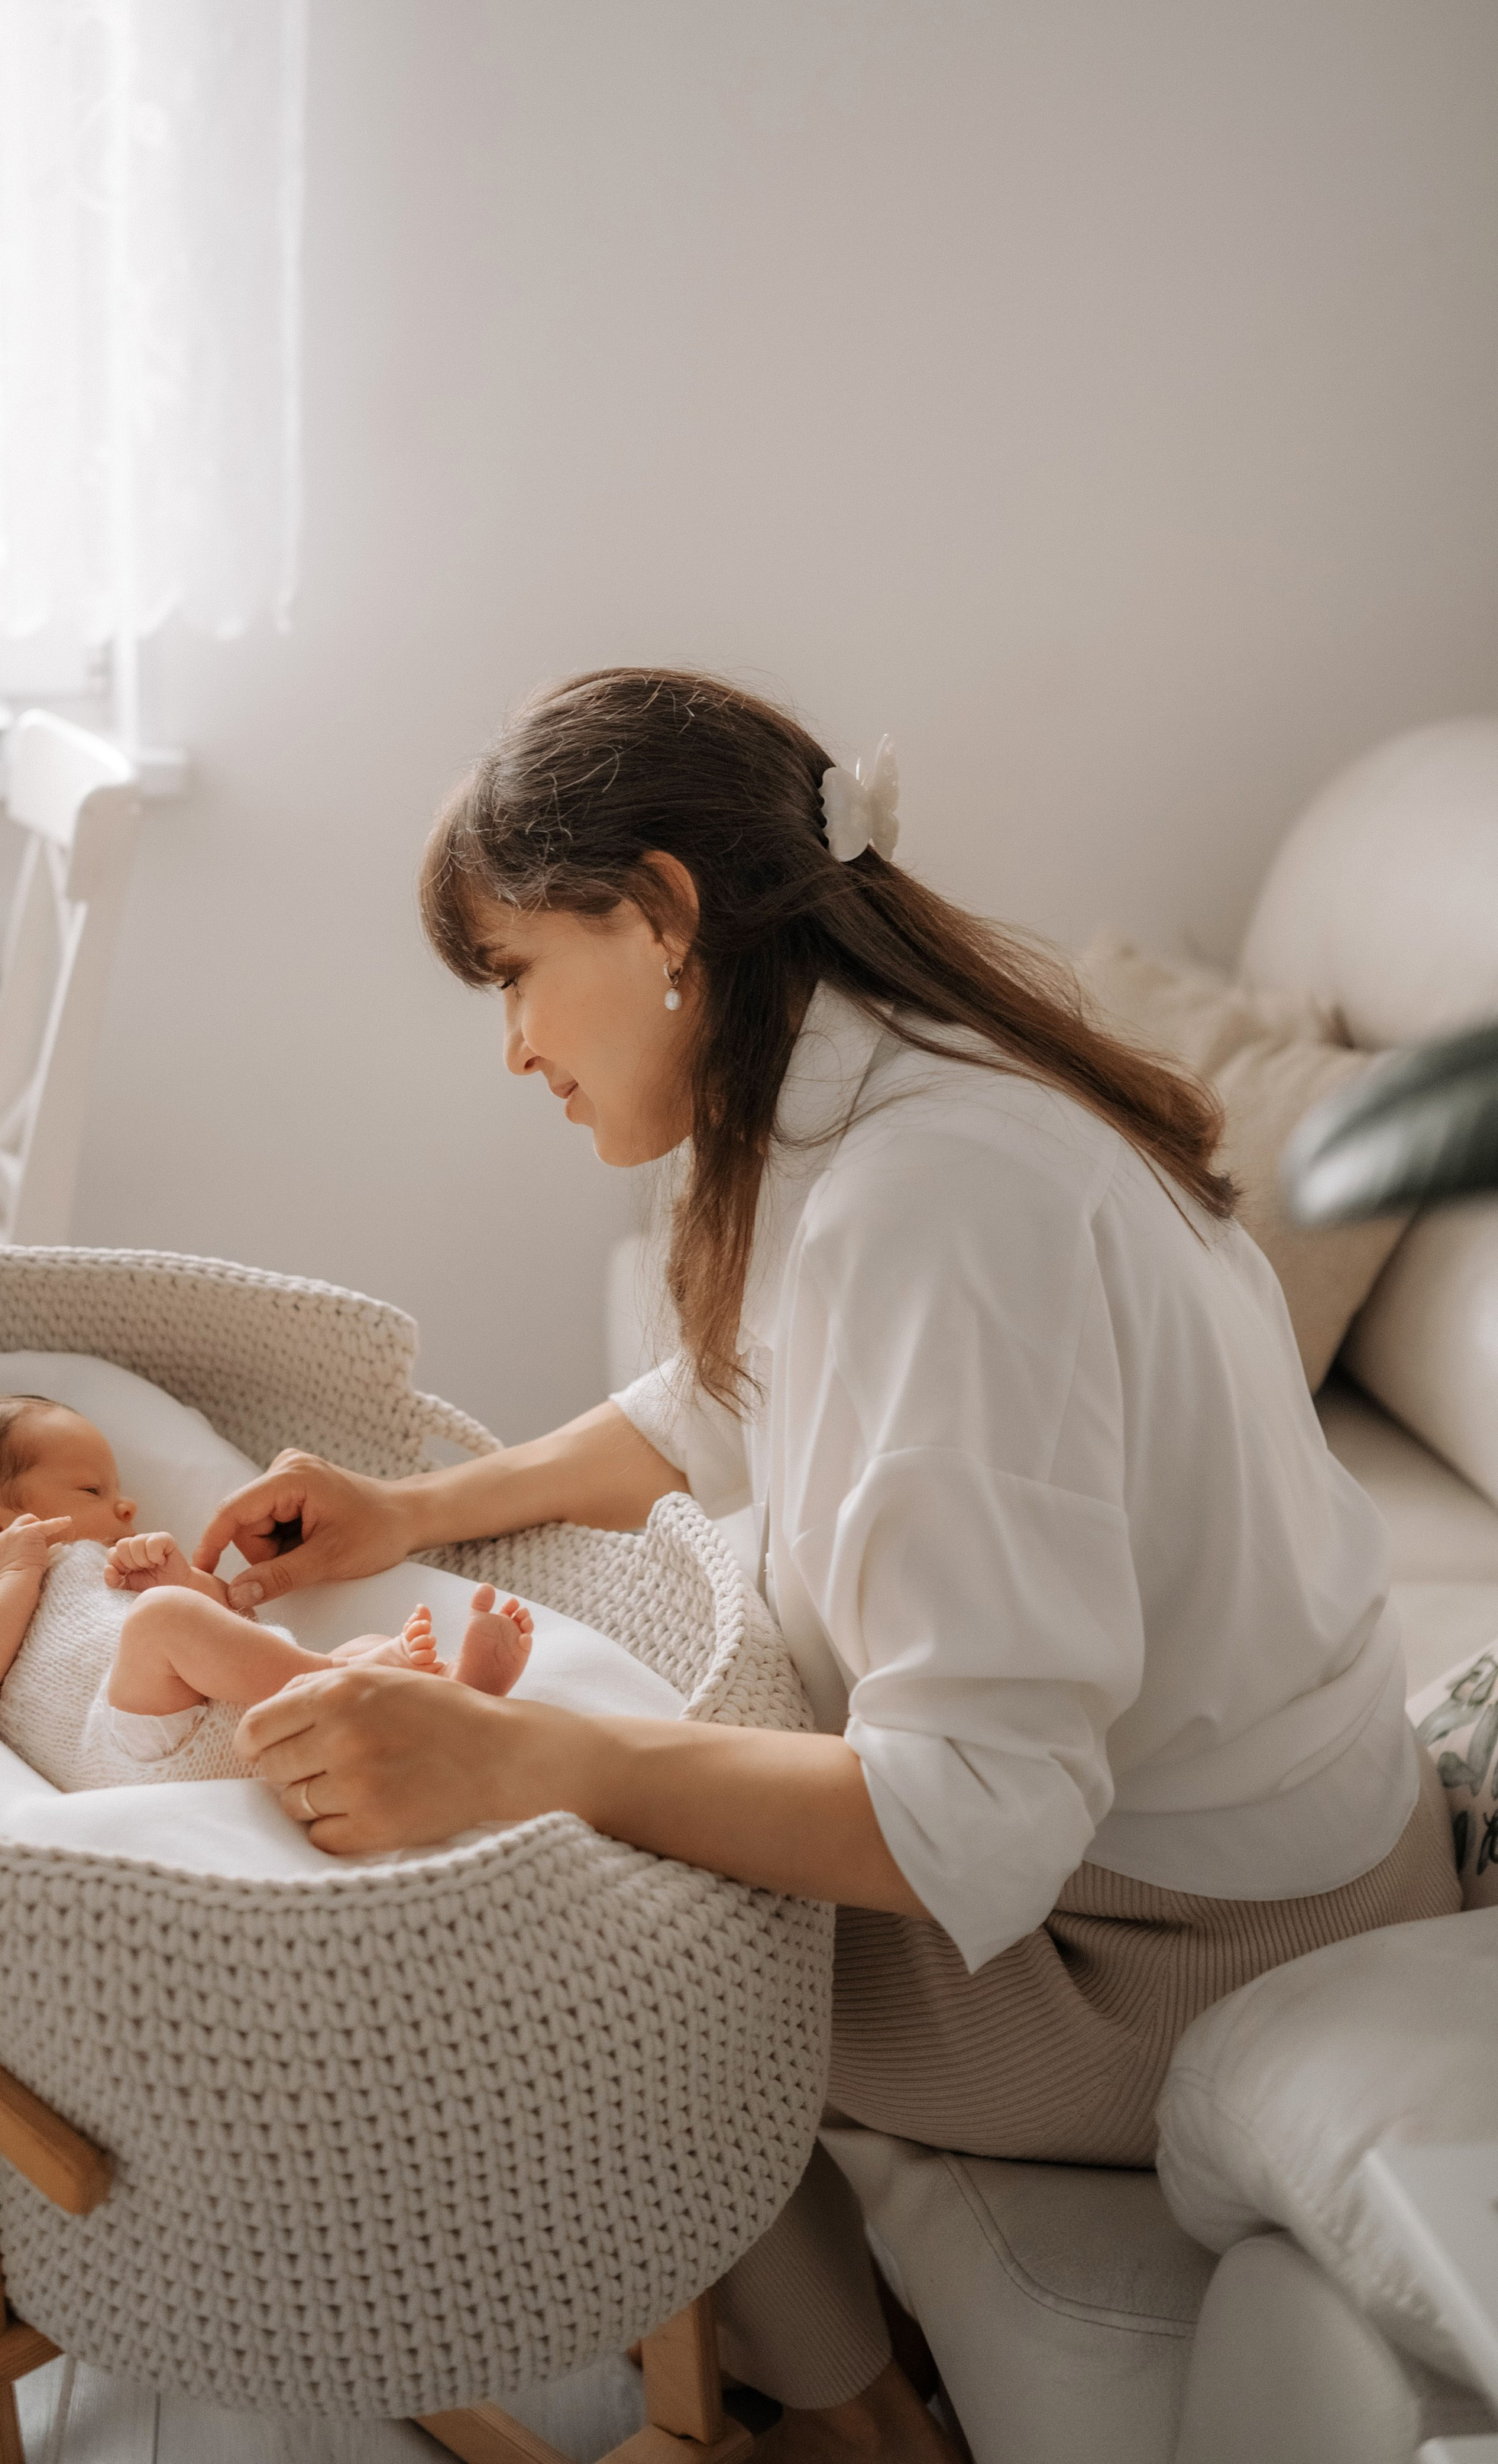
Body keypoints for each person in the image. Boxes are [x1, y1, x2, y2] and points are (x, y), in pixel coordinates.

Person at [192, 668, 1459, 2464]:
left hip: (1182, 1947)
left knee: (545, 1937)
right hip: (1217, 1853)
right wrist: (417, 1509)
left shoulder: (930, 1213)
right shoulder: (857, 1090)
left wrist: (525, 1763)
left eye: (509, 974)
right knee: (575, 1774)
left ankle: (852, 2420)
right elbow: (714, 1398)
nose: (510, 1049)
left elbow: (984, 1810)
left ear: (654, 915)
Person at [0, 1393, 532, 1792]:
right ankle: (343, 1678)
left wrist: (181, 1579)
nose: (126, 1505)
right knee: (167, 1619)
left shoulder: (110, 1565)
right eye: (93, 1492)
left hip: (232, 1713)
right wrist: (21, 1576)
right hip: (124, 1752)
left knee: (200, 1614)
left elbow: (227, 1623)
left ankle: (448, 1690)